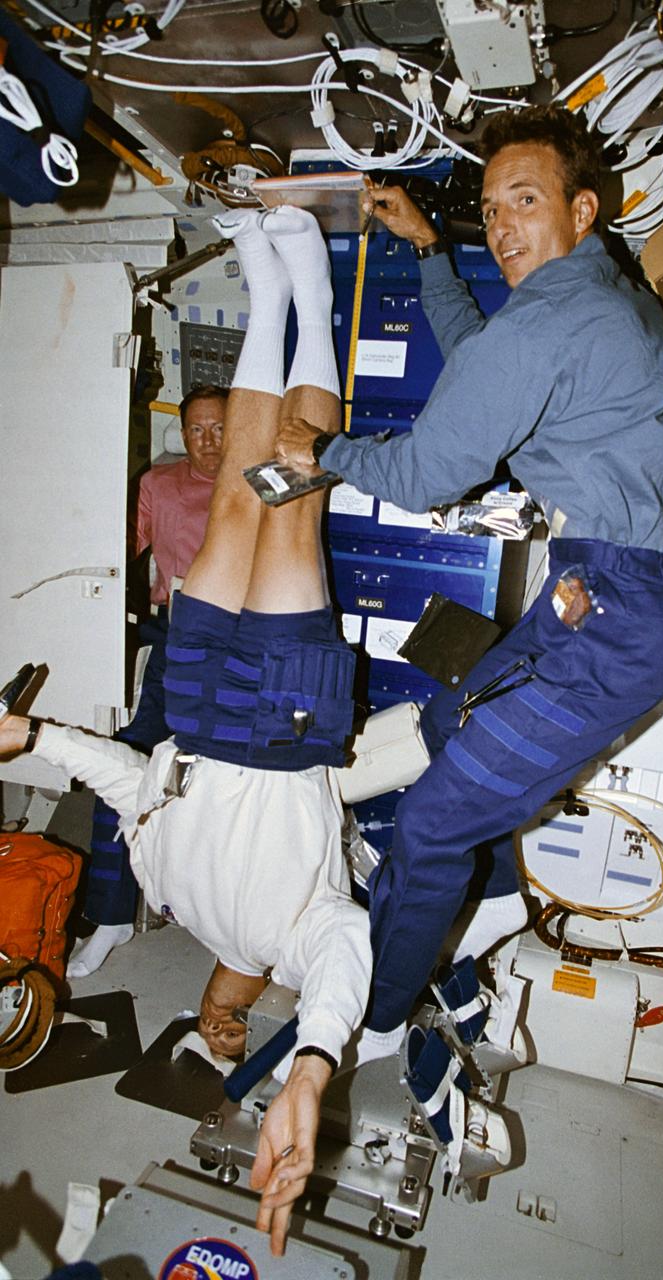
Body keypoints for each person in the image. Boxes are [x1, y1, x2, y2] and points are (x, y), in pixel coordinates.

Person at [274, 105, 663, 1052]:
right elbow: (487, 363)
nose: (501, 226)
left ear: (582, 209)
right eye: (490, 208)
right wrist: (433, 252)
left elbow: (429, 477)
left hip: (615, 615)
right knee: (441, 725)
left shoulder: (550, 322)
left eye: (524, 201)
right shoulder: (601, 297)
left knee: (428, 828)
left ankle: (371, 1025)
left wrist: (327, 451)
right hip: (600, 591)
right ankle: (491, 914)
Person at [0, 206, 372, 1256]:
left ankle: (263, 287)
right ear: (251, 1001)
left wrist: (36, 740)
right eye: (228, 1022)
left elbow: (129, 783)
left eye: (210, 1020)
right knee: (292, 492)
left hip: (202, 709)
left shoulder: (176, 893)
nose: (217, 1015)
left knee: (236, 506)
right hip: (285, 724)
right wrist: (309, 1059)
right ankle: (308, 282)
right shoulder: (287, 939)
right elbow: (347, 950)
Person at [69, 384, 229, 979]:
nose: (208, 441)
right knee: (125, 761)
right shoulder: (159, 487)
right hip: (174, 635)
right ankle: (110, 915)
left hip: (243, 641)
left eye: (219, 428)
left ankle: (229, 926)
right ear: (181, 434)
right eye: (196, 430)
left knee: (235, 781)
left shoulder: (260, 484)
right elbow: (112, 552)